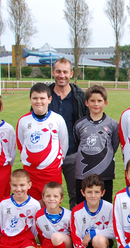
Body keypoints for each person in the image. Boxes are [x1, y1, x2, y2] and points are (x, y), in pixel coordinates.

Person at [16, 83, 69, 205]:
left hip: (51, 172)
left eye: (42, 98)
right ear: (30, 99)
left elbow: (63, 144)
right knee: (31, 206)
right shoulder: (23, 121)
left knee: (51, 205)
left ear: (49, 99)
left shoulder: (58, 119)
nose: (38, 101)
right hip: (30, 173)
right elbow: (21, 145)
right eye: (35, 98)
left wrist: (55, 162)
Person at [48, 58, 89, 210]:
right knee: (50, 193)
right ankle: (50, 227)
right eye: (58, 71)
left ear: (71, 74)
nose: (61, 75)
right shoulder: (45, 95)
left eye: (65, 72)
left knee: (75, 194)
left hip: (73, 153)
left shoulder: (80, 96)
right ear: (53, 73)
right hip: (49, 156)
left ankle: (75, 228)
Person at [74, 85, 119, 205]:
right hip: (83, 172)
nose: (96, 104)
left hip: (105, 173)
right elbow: (77, 143)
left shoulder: (113, 124)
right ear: (86, 103)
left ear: (105, 103)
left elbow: (114, 146)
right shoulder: (79, 124)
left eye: (99, 101)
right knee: (82, 206)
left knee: (105, 206)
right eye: (92, 100)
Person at [71, 174, 115, 248]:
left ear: (102, 193)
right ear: (83, 193)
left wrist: (93, 233)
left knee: (98, 239)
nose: (93, 196)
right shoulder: (76, 212)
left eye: (96, 192)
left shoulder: (110, 208)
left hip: (102, 243)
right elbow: (75, 237)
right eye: (89, 192)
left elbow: (114, 232)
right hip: (85, 247)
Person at [35, 182, 73, 248]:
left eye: (55, 196)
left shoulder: (69, 215)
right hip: (50, 246)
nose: (51, 199)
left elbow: (74, 233)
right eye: (48, 196)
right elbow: (41, 234)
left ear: (61, 199)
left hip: (67, 245)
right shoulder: (39, 216)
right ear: (43, 198)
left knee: (56, 236)